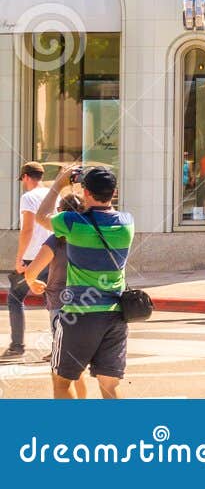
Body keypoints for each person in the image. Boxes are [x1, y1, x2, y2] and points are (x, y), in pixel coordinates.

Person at [40, 165, 133, 399]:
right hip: (115, 314)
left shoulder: (72, 222)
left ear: (86, 192)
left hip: (79, 314)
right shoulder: (126, 223)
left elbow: (41, 217)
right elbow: (105, 212)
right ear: (113, 192)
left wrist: (59, 184)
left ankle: (73, 433)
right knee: (109, 386)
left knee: (61, 381)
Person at [22, 194, 86, 398]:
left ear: (59, 213)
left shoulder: (57, 239)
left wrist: (33, 282)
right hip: (87, 303)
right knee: (76, 365)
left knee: (60, 372)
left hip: (60, 304)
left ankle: (68, 422)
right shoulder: (87, 235)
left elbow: (31, 271)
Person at [7, 162, 50, 360]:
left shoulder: (28, 197)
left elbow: (27, 230)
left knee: (15, 297)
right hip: (52, 254)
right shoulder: (52, 195)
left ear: (25, 177)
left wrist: (18, 259)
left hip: (32, 257)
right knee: (56, 301)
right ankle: (59, 347)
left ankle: (17, 346)